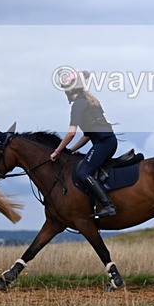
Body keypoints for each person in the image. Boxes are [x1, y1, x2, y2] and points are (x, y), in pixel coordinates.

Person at [50, 70, 118, 218]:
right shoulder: (88, 101)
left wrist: (57, 151)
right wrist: (70, 150)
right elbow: (87, 136)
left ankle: (108, 205)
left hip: (103, 143)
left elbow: (71, 133)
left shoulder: (78, 104)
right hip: (107, 142)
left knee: (83, 172)